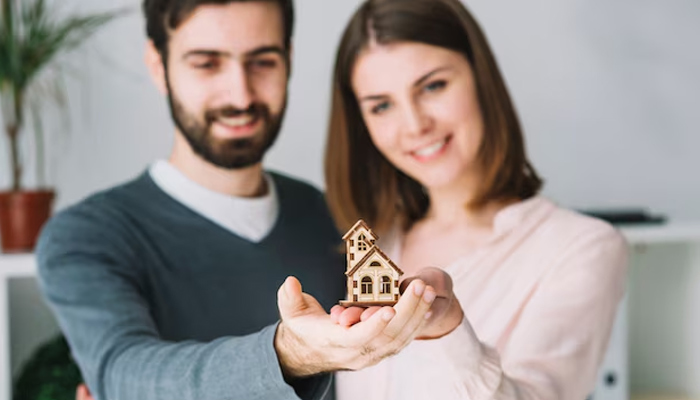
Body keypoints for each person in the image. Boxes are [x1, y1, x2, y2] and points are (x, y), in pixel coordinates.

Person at [37, 1, 443, 400]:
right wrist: (290, 355)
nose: (241, 94)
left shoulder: (335, 218)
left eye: (262, 61)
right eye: (207, 63)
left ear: (289, 60)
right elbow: (123, 373)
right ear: (159, 65)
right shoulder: (85, 237)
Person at [324, 0, 629, 398]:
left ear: (480, 78)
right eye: (382, 106)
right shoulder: (369, 246)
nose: (415, 125)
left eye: (433, 86)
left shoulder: (583, 249)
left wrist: (447, 331)